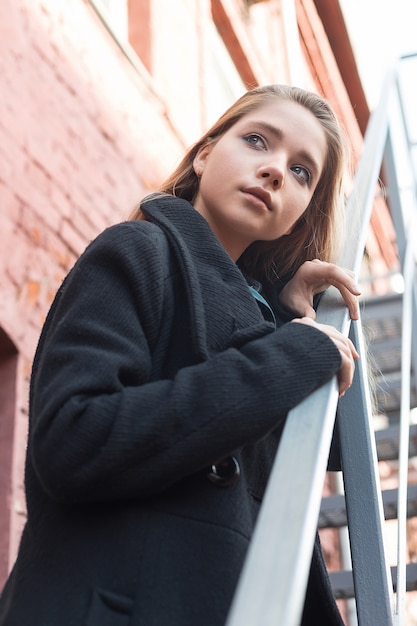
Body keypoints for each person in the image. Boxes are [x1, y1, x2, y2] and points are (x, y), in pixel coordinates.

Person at [0, 84, 360, 626]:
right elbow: (73, 439)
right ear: (205, 152)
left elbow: (330, 447)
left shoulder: (272, 323)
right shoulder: (137, 251)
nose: (276, 171)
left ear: (301, 219)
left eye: (303, 172)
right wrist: (288, 352)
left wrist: (288, 317)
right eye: (258, 141)